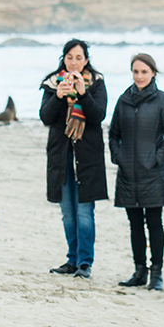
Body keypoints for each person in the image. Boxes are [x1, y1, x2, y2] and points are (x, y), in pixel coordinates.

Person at [109, 53, 164, 291]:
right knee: (135, 224)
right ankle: (139, 272)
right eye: (136, 72)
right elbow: (113, 134)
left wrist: (156, 159)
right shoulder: (123, 100)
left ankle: (156, 274)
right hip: (128, 173)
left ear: (153, 73)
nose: (139, 76)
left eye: (144, 72)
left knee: (154, 223)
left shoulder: (163, 100)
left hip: (154, 174)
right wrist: (119, 158)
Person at [40, 39, 108, 280]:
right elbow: (45, 117)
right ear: (64, 59)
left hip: (87, 157)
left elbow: (98, 115)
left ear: (86, 60)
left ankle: (85, 262)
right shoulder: (52, 82)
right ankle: (71, 260)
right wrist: (58, 96)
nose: (74, 62)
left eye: (79, 58)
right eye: (70, 57)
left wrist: (83, 93)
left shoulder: (96, 83)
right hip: (61, 156)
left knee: (84, 212)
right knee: (67, 213)